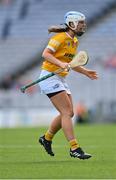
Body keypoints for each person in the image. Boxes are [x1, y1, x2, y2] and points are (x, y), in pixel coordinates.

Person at [38, 11, 98, 159]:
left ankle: (46, 137)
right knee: (66, 113)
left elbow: (71, 64)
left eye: (84, 22)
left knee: (69, 113)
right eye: (81, 22)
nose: (84, 25)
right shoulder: (59, 38)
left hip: (60, 78)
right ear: (72, 24)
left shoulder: (75, 41)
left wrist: (85, 72)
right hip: (49, 77)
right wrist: (60, 63)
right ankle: (74, 148)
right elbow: (45, 54)